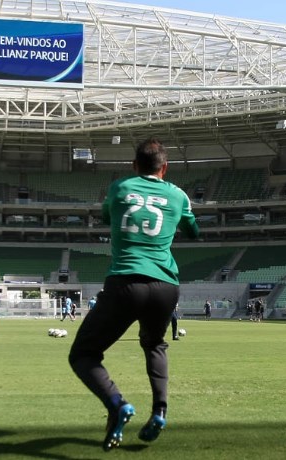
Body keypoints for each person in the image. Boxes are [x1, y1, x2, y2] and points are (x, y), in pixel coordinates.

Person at [68, 138, 199, 451]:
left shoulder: (120, 187)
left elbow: (106, 217)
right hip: (166, 285)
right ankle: (160, 412)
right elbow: (194, 231)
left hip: (126, 282)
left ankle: (117, 404)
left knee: (83, 355)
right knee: (155, 344)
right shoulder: (178, 194)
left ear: (134, 165)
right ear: (164, 168)